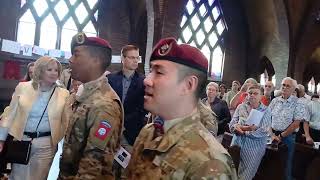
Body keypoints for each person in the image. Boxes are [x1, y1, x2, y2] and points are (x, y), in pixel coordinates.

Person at [127, 37, 237, 179]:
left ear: (188, 85)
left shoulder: (210, 162)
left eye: (159, 72)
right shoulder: (148, 133)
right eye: (151, 70)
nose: (147, 80)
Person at [58, 32, 124, 179]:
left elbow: (93, 168)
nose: (70, 59)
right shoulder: (87, 94)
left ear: (95, 60)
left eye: (76, 54)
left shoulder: (104, 104)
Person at [0, 56, 69, 180]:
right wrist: (1, 139)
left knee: (39, 177)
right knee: (17, 176)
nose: (54, 73)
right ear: (40, 70)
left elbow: (66, 121)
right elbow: (10, 114)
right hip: (22, 139)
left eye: (56, 70)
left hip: (47, 143)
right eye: (49, 69)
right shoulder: (23, 87)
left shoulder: (64, 93)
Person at [229, 84, 271, 180]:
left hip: (253, 148)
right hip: (236, 144)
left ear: (261, 96)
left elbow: (263, 131)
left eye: (255, 93)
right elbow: (232, 123)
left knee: (245, 177)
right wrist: (235, 127)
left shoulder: (266, 110)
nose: (252, 95)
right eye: (250, 93)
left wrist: (243, 131)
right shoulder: (241, 106)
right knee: (231, 174)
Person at [108, 45, 147, 149]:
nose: (135, 61)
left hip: (131, 131)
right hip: (110, 127)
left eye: (137, 58)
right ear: (123, 58)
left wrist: (123, 122)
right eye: (132, 58)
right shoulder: (111, 79)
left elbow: (143, 108)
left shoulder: (143, 81)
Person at [268, 77, 305, 180]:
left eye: (288, 86)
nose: (284, 87)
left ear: (293, 89)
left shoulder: (298, 103)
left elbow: (296, 123)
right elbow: (267, 118)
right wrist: (272, 135)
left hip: (287, 137)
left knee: (286, 165)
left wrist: (280, 136)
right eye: (283, 85)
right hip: (272, 135)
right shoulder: (275, 101)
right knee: (271, 164)